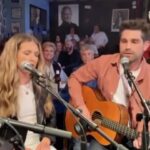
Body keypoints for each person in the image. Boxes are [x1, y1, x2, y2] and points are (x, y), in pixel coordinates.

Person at [68, 19, 150, 150]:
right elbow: (74, 78)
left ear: (146, 45)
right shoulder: (104, 62)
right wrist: (81, 106)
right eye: (124, 41)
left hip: (130, 136)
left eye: (134, 41)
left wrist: (143, 132)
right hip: (102, 129)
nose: (128, 46)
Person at [0, 33, 56, 150]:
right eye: (27, 53)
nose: (33, 58)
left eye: (36, 55)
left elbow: (50, 118)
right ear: (13, 55)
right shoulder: (2, 86)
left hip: (39, 145)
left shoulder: (41, 85)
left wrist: (46, 140)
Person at [42, 41, 69, 150]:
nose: (49, 53)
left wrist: (61, 86)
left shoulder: (56, 65)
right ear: (42, 52)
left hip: (55, 99)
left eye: (51, 51)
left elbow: (65, 79)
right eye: (46, 51)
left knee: (61, 116)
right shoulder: (39, 65)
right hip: (43, 100)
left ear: (54, 53)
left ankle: (59, 145)